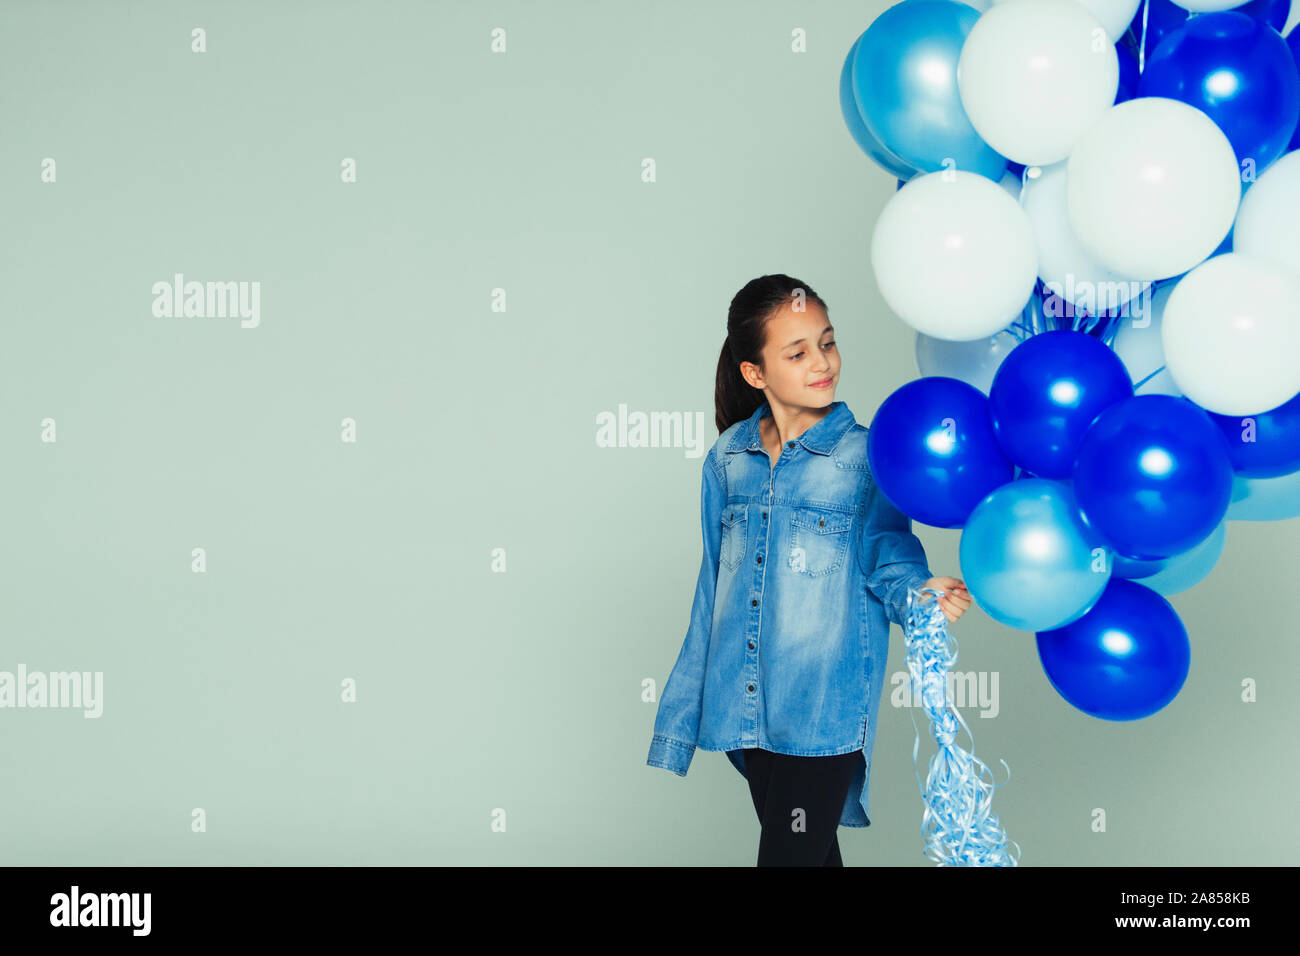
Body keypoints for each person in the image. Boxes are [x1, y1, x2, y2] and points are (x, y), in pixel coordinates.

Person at [645, 273, 972, 866]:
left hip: (824, 712)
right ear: (755, 373)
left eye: (827, 342)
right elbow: (711, 589)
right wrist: (681, 718)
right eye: (797, 353)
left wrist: (920, 594)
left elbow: (888, 554)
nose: (822, 363)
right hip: (746, 712)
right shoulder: (728, 459)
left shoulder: (868, 458)